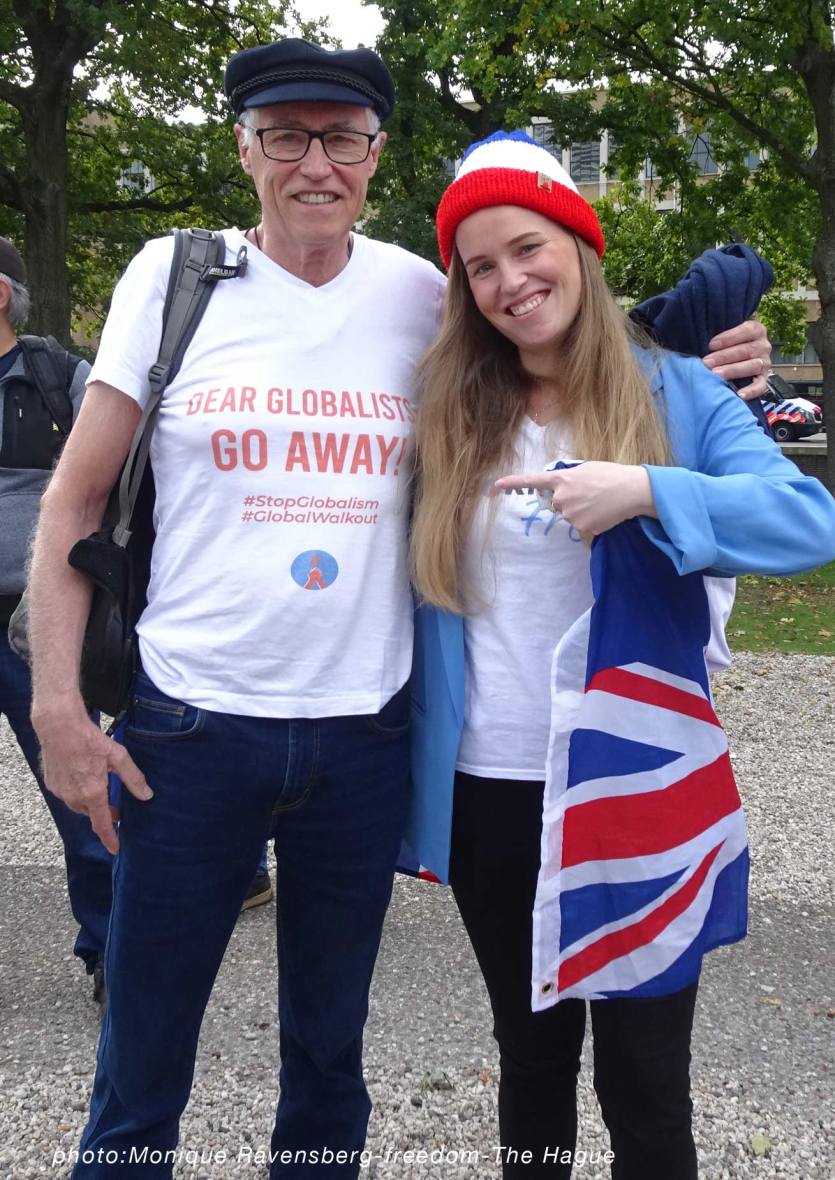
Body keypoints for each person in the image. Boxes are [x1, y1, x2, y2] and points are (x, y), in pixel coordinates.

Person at [25, 35, 772, 1176]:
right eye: (285, 136)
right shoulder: (173, 280)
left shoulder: (418, 294)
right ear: (244, 148)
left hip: (363, 737)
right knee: (142, 1056)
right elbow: (75, 498)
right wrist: (58, 709)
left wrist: (690, 344)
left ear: (375, 154)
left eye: (342, 138)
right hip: (190, 727)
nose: (314, 163)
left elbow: (547, 329)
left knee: (330, 1057)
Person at [406, 131, 835, 1179]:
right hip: (490, 786)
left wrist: (643, 489)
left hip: (638, 781)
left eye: (528, 247)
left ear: (579, 245)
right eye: (481, 266)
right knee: (530, 1055)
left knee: (644, 1079)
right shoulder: (450, 404)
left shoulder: (674, 389)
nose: (510, 281)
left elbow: (806, 520)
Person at [0, 236, 113, 1002]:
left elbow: (110, 485)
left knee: (79, 792)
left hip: (34, 624)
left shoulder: (58, 378)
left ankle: (111, 951)